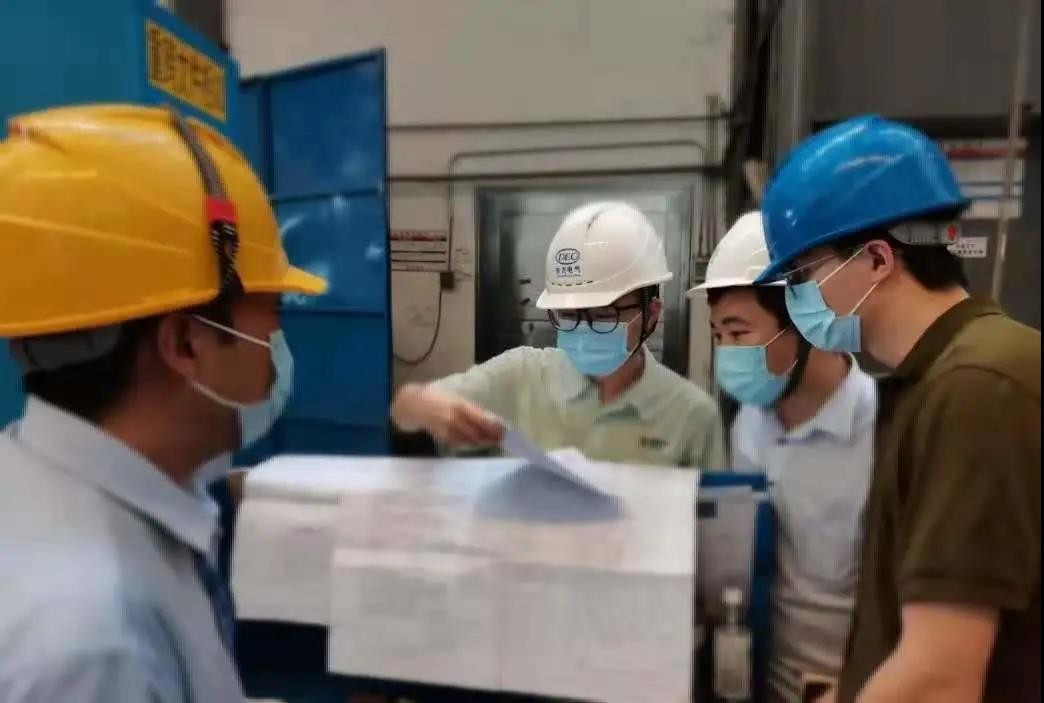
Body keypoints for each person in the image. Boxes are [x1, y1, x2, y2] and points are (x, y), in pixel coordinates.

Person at [0, 105, 327, 701]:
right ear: (185, 343)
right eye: (273, 313)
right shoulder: (95, 645)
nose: (278, 344)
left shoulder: (32, 477)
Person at [756, 115, 1040, 703]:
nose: (796, 300)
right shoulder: (935, 381)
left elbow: (940, 676)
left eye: (802, 276)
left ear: (878, 260)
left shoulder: (974, 387)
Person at [690, 212, 876, 703]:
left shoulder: (882, 429)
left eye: (738, 333)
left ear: (806, 323)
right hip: (756, 680)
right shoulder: (750, 423)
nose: (725, 353)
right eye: (718, 335)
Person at [392, 201, 725, 469]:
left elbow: (715, 520)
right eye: (568, 315)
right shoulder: (520, 375)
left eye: (603, 315)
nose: (583, 329)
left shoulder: (692, 416)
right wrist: (423, 406)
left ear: (651, 314)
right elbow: (405, 407)